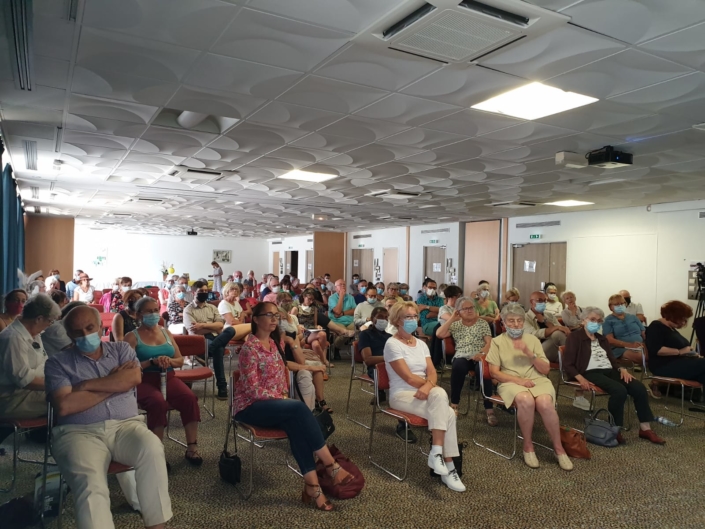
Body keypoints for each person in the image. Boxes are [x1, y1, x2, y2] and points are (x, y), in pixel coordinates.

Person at [46, 305, 172, 529]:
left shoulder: (121, 349)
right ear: (69, 335)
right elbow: (65, 406)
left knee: (153, 449)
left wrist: (84, 386)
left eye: (89, 328)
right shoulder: (57, 363)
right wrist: (114, 384)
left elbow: (133, 378)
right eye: (77, 332)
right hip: (78, 433)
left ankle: (157, 525)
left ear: (100, 327)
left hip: (126, 427)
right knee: (90, 481)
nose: (85, 335)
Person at [234, 302, 356, 510]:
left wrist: (297, 352)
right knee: (298, 408)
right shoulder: (249, 348)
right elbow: (252, 390)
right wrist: (281, 399)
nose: (274, 319)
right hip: (250, 406)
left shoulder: (276, 344)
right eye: (268, 315)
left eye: (276, 315)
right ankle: (331, 466)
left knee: (296, 425)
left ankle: (313, 487)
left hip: (274, 405)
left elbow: (284, 369)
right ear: (255, 319)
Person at [383, 302, 465, 491]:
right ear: (397, 320)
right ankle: (448, 467)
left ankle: (438, 455)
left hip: (425, 392)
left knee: (445, 407)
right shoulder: (392, 344)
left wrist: (429, 386)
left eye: (414, 316)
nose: (413, 320)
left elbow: (432, 372)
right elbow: (408, 378)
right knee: (447, 410)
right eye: (408, 317)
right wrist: (429, 386)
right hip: (401, 395)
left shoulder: (420, 344)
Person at [486, 304, 573, 471]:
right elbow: (494, 373)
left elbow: (545, 370)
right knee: (525, 400)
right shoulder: (497, 342)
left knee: (545, 402)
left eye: (519, 320)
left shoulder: (532, 340)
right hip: (510, 381)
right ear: (503, 323)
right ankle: (528, 446)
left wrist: (528, 353)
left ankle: (559, 449)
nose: (516, 324)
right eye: (511, 321)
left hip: (537, 379)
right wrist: (519, 381)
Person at [563, 307, 665, 444]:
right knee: (619, 390)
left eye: (599, 321)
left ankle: (645, 429)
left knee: (639, 388)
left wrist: (622, 369)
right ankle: (615, 429)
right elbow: (568, 364)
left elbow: (612, 360)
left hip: (609, 370)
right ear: (583, 320)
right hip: (589, 372)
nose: (596, 323)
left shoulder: (602, 339)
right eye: (592, 319)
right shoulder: (575, 337)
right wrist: (580, 378)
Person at [124, 297, 203, 465]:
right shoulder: (131, 337)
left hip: (168, 377)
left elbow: (179, 360)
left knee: (189, 398)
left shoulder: (166, 332)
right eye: (149, 311)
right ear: (139, 314)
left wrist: (168, 361)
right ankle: (156, 452)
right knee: (157, 402)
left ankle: (192, 447)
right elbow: (126, 368)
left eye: (156, 310)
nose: (153, 314)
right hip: (143, 380)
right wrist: (151, 362)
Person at [359, 307, 418, 444]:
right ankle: (403, 425)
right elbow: (368, 360)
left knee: (414, 378)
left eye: (386, 318)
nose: (384, 320)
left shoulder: (389, 337)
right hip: (377, 369)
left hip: (392, 366)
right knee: (400, 384)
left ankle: (418, 413)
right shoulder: (365, 335)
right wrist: (390, 358)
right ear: (373, 318)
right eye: (381, 317)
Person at [0, 293, 61, 418]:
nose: (49, 325)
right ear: (39, 319)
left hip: (30, 392)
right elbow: (25, 380)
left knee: (73, 393)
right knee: (68, 398)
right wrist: (58, 384)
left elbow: (44, 364)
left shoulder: (34, 333)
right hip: (14, 398)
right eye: (50, 321)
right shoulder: (13, 338)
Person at [436, 297, 496, 423]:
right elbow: (439, 334)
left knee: (484, 371)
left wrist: (481, 353)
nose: (469, 310)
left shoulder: (482, 323)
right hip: (462, 355)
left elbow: (489, 342)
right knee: (458, 367)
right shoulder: (455, 324)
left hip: (480, 355)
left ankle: (489, 409)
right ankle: (454, 404)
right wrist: (452, 318)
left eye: (471, 307)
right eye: (465, 308)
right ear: (458, 311)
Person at [183, 281, 231, 400]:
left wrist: (202, 325)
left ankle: (210, 350)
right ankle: (222, 387)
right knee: (219, 349)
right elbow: (194, 330)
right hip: (199, 340)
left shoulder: (212, 307)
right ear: (194, 292)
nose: (204, 293)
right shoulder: (188, 310)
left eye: (206, 291)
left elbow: (220, 325)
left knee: (231, 331)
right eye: (201, 291)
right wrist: (212, 326)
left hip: (215, 337)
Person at [646, 300, 705, 388]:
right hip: (663, 365)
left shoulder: (671, 329)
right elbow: (656, 349)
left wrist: (691, 354)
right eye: (683, 319)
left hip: (677, 363)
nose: (684, 322)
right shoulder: (656, 326)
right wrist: (680, 351)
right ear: (673, 315)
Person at [523, 291, 570, 362]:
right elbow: (532, 334)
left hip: (553, 349)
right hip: (535, 351)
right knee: (557, 334)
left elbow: (562, 331)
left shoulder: (549, 315)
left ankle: (570, 361)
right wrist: (556, 328)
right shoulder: (524, 317)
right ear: (531, 302)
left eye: (545, 300)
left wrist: (546, 322)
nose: (543, 303)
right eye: (540, 300)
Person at [602, 294, 645, 365]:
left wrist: (647, 344)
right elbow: (609, 339)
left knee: (654, 352)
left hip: (640, 345)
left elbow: (643, 332)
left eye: (622, 303)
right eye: (616, 304)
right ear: (610, 307)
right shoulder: (607, 321)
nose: (620, 306)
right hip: (621, 348)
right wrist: (629, 345)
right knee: (641, 357)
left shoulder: (633, 317)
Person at [328, 279, 357, 359]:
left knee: (356, 330)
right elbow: (337, 311)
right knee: (344, 332)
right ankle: (336, 348)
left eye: (344, 284)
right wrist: (341, 296)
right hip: (337, 321)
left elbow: (355, 310)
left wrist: (343, 313)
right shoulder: (332, 298)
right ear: (336, 288)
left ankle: (335, 346)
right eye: (340, 285)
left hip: (350, 321)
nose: (343, 286)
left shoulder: (350, 297)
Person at [43, 292, 74, 356]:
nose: (66, 304)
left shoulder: (52, 323)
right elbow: (71, 351)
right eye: (65, 302)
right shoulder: (55, 327)